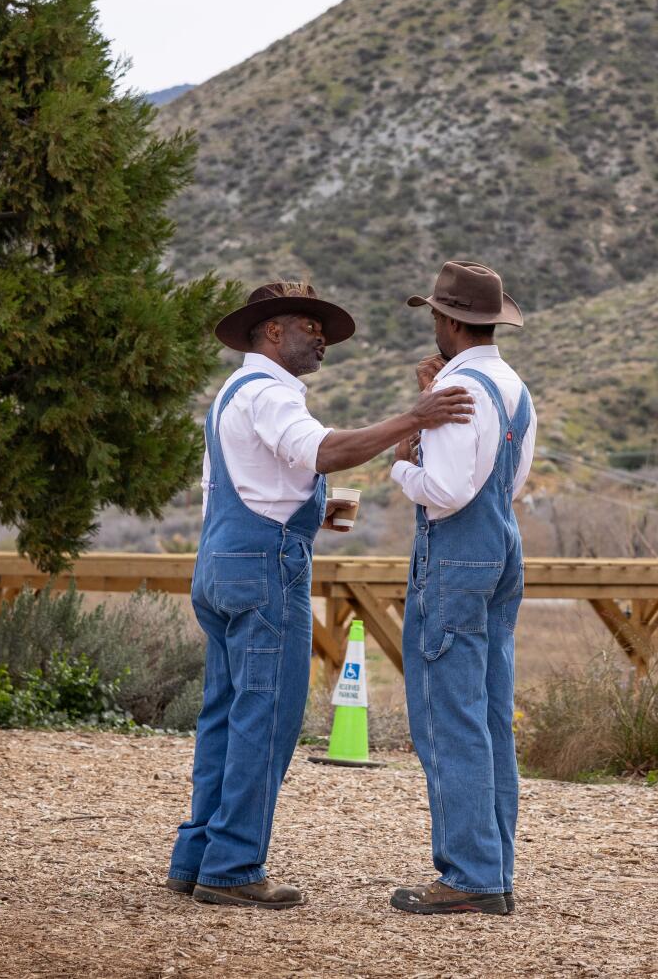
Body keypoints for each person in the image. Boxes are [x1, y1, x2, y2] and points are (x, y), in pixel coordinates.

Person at [168, 280, 474, 909]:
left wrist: (311, 507)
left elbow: (253, 482)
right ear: (271, 331)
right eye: (311, 325)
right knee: (268, 717)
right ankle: (232, 866)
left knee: (224, 714)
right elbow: (325, 450)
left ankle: (195, 855)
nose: (323, 338)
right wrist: (415, 417)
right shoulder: (274, 395)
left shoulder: (233, 393)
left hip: (222, 560)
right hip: (265, 570)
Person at [387, 261, 537, 917]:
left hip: (453, 552)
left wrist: (399, 463)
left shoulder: (457, 389)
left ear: (448, 321)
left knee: (448, 716)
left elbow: (445, 491)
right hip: (502, 545)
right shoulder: (512, 385)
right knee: (487, 712)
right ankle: (493, 864)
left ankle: (470, 873)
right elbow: (511, 480)